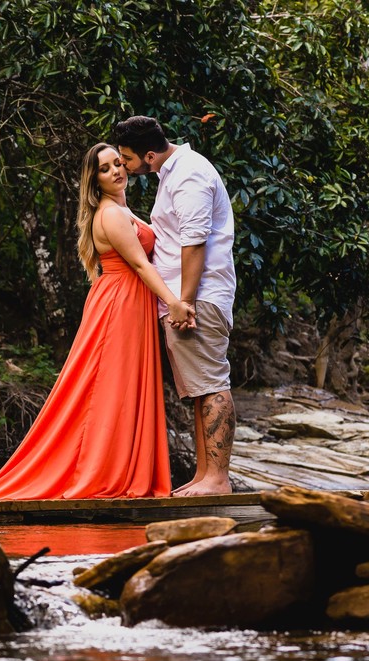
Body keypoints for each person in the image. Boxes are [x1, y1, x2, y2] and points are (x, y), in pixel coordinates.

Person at [0, 143, 193, 501]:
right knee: (108, 389)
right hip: (119, 305)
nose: (117, 171)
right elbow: (140, 264)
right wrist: (174, 303)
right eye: (105, 169)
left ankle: (120, 468)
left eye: (119, 163)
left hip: (129, 301)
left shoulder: (124, 210)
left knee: (124, 389)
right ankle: (97, 472)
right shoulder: (110, 214)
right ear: (95, 180)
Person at [114, 115, 237, 497]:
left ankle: (218, 479)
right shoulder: (170, 173)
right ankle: (205, 475)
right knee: (198, 389)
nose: (125, 166)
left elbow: (195, 241)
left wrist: (183, 300)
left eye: (127, 159)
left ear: (149, 155)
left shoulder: (188, 175)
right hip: (183, 300)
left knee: (212, 384)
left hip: (196, 300)